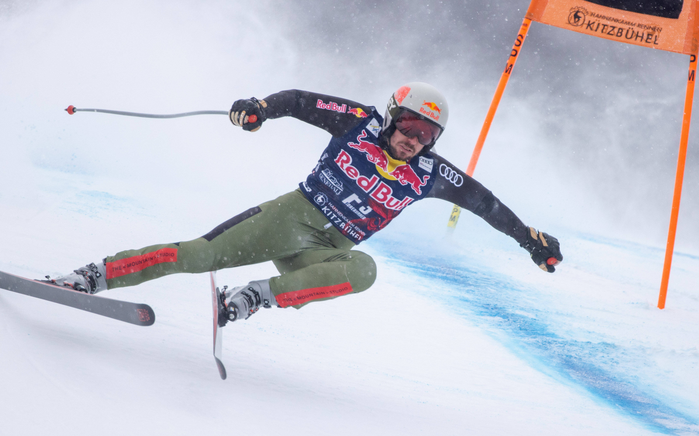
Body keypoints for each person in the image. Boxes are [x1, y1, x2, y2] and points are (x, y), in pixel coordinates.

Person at [48, 82, 563, 326]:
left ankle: (253, 297)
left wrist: (529, 241)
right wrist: (261, 109)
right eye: (408, 127)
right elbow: (297, 101)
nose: (414, 141)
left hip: (326, 248)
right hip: (291, 218)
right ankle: (92, 276)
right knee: (197, 256)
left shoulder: (430, 172)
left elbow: (486, 204)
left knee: (364, 271)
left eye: (427, 135)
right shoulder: (358, 120)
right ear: (391, 118)